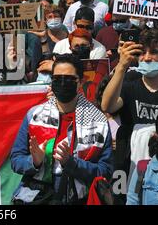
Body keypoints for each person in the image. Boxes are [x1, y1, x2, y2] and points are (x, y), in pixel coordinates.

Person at [10, 54, 113, 204]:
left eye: (69, 79)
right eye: (57, 79)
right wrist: (34, 161)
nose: (63, 84)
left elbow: (106, 171)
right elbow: (16, 159)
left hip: (79, 198)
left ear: (81, 82)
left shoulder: (99, 121)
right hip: (37, 196)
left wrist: (73, 164)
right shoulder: (34, 115)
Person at [101, 29, 158, 178]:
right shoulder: (129, 87)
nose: (147, 58)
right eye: (142, 53)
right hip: (129, 165)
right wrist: (122, 66)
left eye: (154, 52)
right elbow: (107, 106)